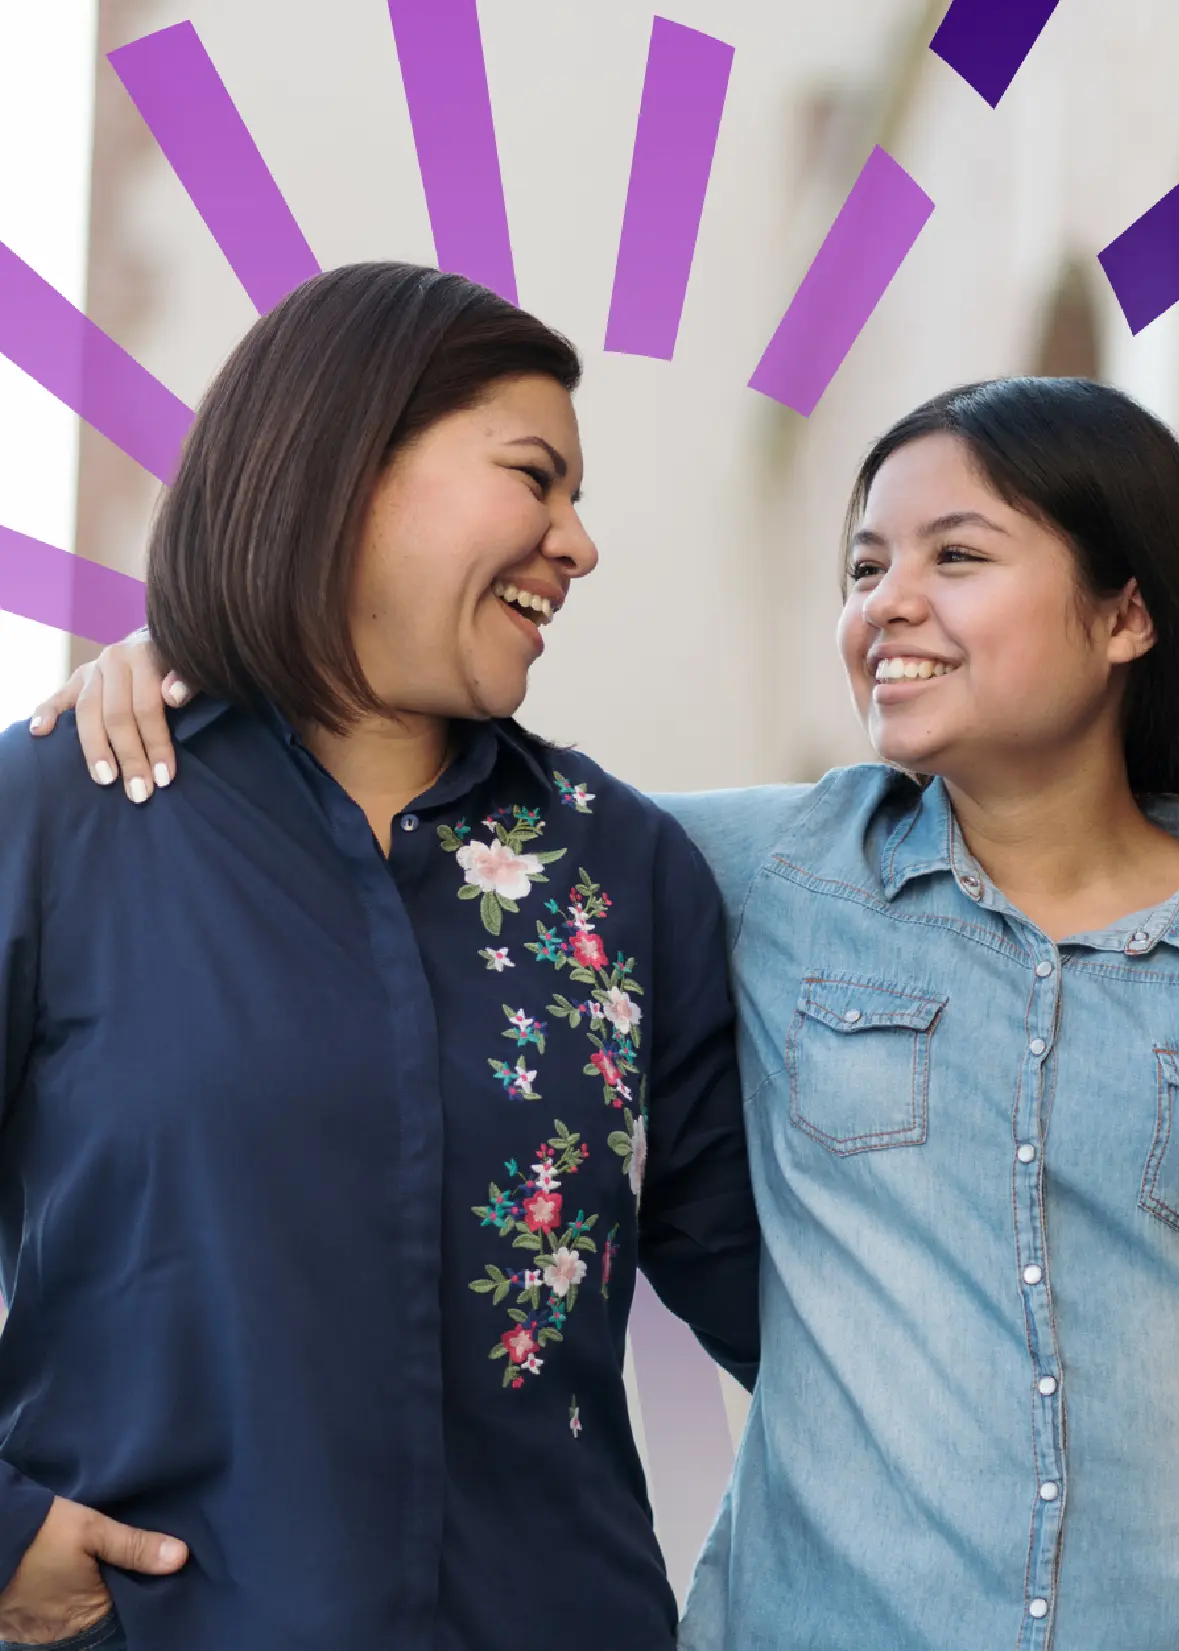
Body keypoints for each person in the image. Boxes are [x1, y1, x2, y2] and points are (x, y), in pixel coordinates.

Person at [56, 375, 1179, 1651]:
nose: (887, 604)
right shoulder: (745, 870)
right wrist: (221, 671)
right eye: (864, 567)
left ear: (1127, 612)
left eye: (956, 556)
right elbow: (434, 819)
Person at [1, 262, 759, 1651]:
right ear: (347, 463)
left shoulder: (626, 869)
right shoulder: (62, 817)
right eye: (537, 475)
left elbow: (799, 1298)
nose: (577, 542)